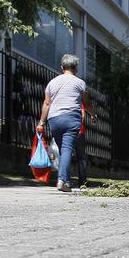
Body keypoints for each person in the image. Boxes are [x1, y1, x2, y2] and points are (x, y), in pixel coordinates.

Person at [37, 54, 91, 192]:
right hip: (71, 118)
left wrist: (41, 122)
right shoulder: (80, 83)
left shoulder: (52, 83)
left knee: (63, 150)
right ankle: (61, 180)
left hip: (54, 120)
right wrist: (94, 114)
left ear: (62, 67)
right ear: (76, 68)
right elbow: (86, 103)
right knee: (67, 149)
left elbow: (47, 103)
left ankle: (66, 181)